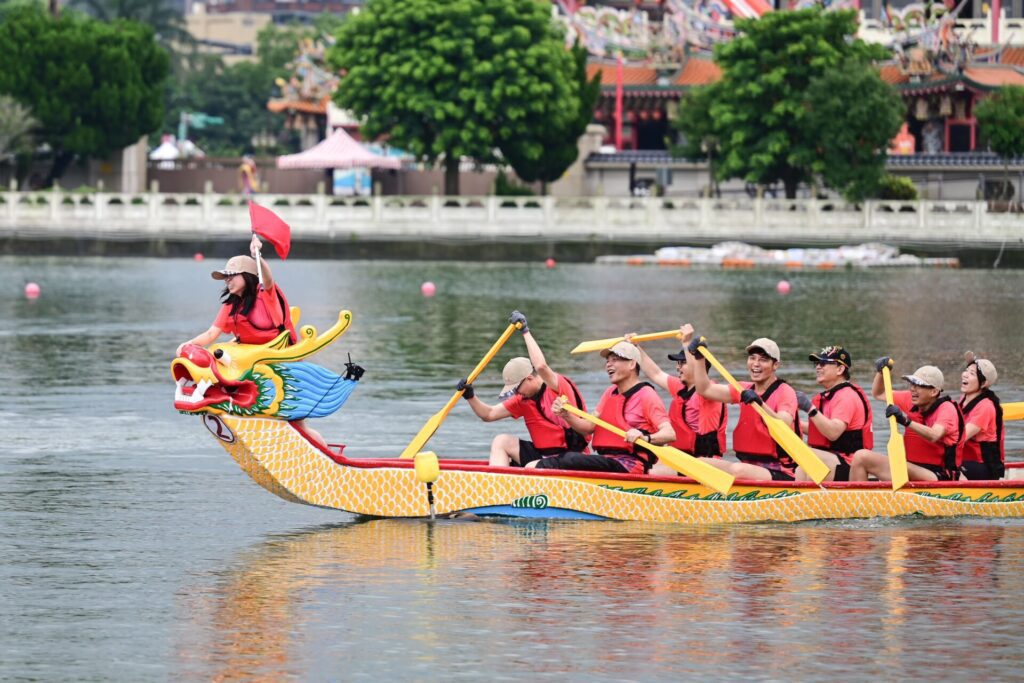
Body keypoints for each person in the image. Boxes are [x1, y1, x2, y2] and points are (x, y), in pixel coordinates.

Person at [177, 235, 328, 451]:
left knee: (297, 423)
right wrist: (187, 345)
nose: (227, 280)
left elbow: (268, 280)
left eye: (231, 276)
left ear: (247, 276)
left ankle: (324, 455)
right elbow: (211, 334)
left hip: (282, 362)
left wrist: (258, 256)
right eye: (225, 277)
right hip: (252, 364)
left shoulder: (265, 297)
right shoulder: (231, 304)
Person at [457, 311, 589, 468]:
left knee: (531, 466)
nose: (516, 393)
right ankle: (497, 485)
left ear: (529, 378)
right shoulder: (523, 400)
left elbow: (540, 366)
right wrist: (470, 396)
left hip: (571, 458)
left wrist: (525, 332)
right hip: (543, 456)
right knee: (501, 441)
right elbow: (489, 414)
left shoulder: (557, 387)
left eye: (517, 388)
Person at [549, 341, 675, 474]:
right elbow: (587, 428)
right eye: (607, 361)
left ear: (632, 364)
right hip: (607, 460)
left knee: (571, 459)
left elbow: (670, 434)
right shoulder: (610, 392)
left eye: (615, 360)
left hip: (630, 464)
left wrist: (646, 438)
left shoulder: (646, 395)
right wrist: (566, 415)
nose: (608, 364)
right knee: (568, 457)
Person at [688, 335, 801, 481]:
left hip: (781, 471)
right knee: (697, 463)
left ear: (776, 365)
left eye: (763, 360)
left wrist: (760, 403)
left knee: (738, 470)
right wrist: (699, 359)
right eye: (752, 358)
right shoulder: (743, 389)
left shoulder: (785, 391)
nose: (756, 364)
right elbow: (705, 390)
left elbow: (783, 421)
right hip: (748, 466)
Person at [627, 324, 727, 477]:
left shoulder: (710, 392)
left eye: (683, 363)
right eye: (677, 363)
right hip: (680, 458)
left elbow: (696, 370)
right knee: (645, 466)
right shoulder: (680, 388)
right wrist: (636, 348)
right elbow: (655, 374)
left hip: (705, 462)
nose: (678, 367)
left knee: (652, 472)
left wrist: (686, 343)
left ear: (700, 365)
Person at [848, 360, 963, 482]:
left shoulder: (947, 409)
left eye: (918, 385)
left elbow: (934, 435)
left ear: (934, 391)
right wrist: (881, 373)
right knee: (860, 457)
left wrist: (905, 421)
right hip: (911, 469)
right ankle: (857, 499)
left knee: (862, 456)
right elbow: (879, 393)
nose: (913, 389)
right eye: (912, 383)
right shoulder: (910, 399)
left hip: (938, 476)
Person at [793, 346, 873, 482]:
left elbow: (833, 432)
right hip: (834, 459)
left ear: (840, 369)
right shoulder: (831, 395)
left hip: (850, 466)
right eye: (816, 364)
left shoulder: (846, 396)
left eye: (823, 364)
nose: (818, 367)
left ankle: (804, 498)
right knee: (800, 462)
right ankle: (800, 498)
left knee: (805, 454)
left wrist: (810, 408)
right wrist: (791, 424)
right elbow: (819, 429)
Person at [958, 357, 1004, 480]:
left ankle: (965, 494)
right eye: (966, 370)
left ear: (983, 384)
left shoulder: (985, 406)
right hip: (968, 461)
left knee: (943, 466)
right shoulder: (964, 398)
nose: (965, 375)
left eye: (972, 373)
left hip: (984, 466)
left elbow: (959, 437)